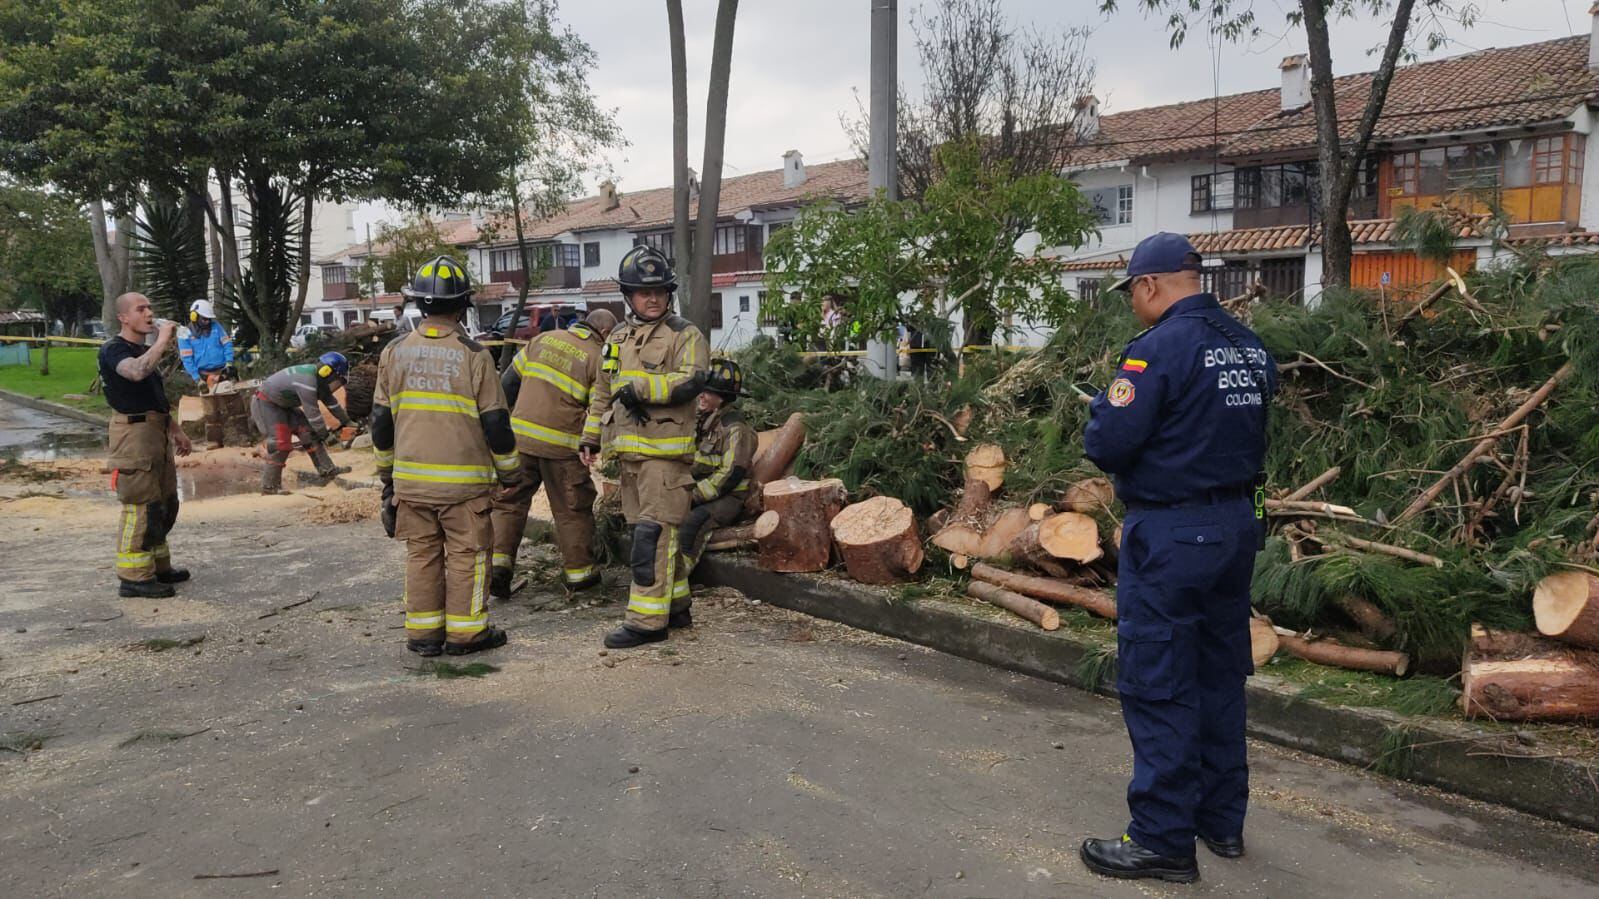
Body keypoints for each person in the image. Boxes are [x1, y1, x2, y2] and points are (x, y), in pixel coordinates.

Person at [1078, 232, 1276, 884]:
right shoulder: (1246, 346)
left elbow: (1109, 440)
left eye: (1131, 293)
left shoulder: (1156, 349)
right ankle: (1219, 819)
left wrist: (1100, 411)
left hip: (1171, 533)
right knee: (1219, 676)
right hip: (1234, 527)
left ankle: (1161, 838)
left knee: (1158, 681)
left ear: (1147, 286)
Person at [371, 255, 520, 656]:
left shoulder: (394, 352)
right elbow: (496, 425)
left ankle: (423, 635)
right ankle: (467, 634)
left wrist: (388, 476)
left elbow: (381, 421)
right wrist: (510, 472)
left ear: (420, 303)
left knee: (421, 555)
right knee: (467, 556)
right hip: (464, 486)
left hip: (412, 483)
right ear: (463, 305)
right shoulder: (474, 355)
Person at [580, 245, 707, 649]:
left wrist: (640, 387)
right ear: (628, 296)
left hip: (665, 457)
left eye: (659, 291)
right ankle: (677, 605)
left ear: (669, 293)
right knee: (654, 534)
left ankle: (647, 623)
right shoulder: (618, 336)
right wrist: (590, 436)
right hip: (630, 457)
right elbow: (603, 390)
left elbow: (692, 380)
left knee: (652, 537)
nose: (652, 298)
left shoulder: (686, 334)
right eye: (642, 292)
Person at [488, 307, 619, 598]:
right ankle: (580, 577)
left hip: (520, 441)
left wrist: (502, 428)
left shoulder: (541, 339)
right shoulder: (598, 357)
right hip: (562, 446)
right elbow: (599, 407)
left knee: (508, 503)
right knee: (572, 509)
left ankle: (498, 569)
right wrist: (591, 441)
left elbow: (508, 383)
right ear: (606, 333)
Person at [98, 292, 193, 598]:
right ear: (123, 318)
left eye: (151, 307)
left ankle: (158, 567)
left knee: (164, 503)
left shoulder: (141, 350)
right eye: (141, 309)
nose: (150, 313)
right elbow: (136, 372)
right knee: (140, 505)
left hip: (156, 431)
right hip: (133, 435)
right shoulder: (114, 350)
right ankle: (134, 578)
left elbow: (154, 397)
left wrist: (175, 429)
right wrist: (163, 340)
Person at [672, 358, 757, 622]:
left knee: (693, 523)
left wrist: (694, 496)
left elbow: (731, 474)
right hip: (700, 490)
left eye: (708, 392)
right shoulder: (702, 422)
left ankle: (679, 578)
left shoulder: (736, 429)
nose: (702, 396)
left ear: (722, 398)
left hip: (728, 498)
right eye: (701, 390)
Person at [251, 353, 356, 494]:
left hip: (283, 405)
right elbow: (312, 412)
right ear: (327, 372)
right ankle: (270, 487)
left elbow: (332, 404)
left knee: (309, 433)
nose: (337, 383)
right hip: (267, 404)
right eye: (337, 379)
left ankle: (327, 470)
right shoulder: (307, 382)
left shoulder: (319, 380)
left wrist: (348, 421)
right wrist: (326, 435)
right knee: (280, 444)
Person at [176, 299, 234, 392]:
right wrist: (197, 379)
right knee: (211, 403)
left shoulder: (216, 326)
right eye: (204, 319)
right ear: (194, 316)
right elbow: (187, 359)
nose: (207, 322)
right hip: (204, 375)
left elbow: (227, 344)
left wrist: (229, 362)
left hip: (222, 371)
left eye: (209, 319)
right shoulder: (184, 334)